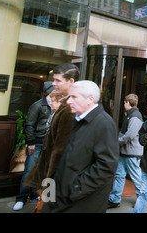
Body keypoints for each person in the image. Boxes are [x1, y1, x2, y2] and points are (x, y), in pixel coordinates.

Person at [41, 80, 119, 213]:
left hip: (78, 202)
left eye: (74, 97)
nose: (69, 101)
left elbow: (106, 166)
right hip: (60, 196)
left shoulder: (104, 123)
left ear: (90, 99)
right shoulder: (77, 120)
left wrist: (74, 190)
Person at [24, 63, 79, 206]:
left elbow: (60, 149)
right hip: (52, 173)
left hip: (57, 175)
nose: (53, 84)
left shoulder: (70, 108)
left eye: (58, 81)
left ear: (71, 81)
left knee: (49, 205)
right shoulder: (65, 105)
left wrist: (48, 182)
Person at [13, 82, 54, 211]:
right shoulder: (37, 106)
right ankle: (21, 198)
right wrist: (31, 142)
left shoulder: (57, 106)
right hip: (37, 142)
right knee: (29, 170)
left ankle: (39, 195)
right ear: (48, 92)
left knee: (46, 171)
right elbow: (29, 125)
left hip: (50, 144)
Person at [108, 94, 144, 208]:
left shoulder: (135, 116)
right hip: (126, 152)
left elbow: (130, 135)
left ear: (128, 103)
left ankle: (141, 200)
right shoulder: (130, 115)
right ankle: (114, 199)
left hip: (132, 153)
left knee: (136, 177)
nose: (124, 104)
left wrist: (117, 141)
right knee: (119, 175)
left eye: (124, 102)